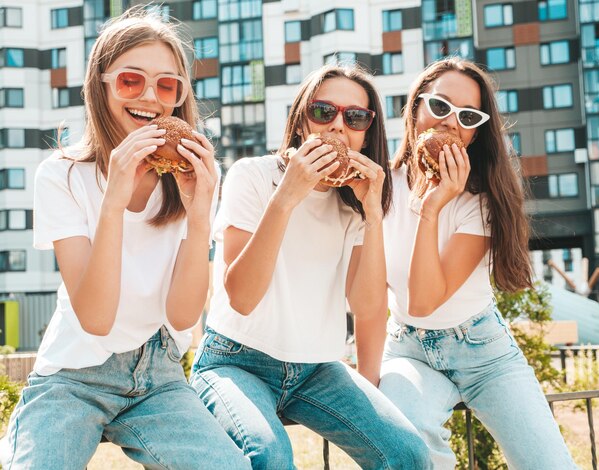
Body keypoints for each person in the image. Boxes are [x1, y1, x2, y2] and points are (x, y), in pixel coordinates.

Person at [2, 9, 250, 469]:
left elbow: (182, 314)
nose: (150, 98)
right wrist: (113, 204)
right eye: (131, 81)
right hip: (72, 374)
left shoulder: (183, 180)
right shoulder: (62, 176)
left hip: (157, 372)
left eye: (167, 85)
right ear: (102, 85)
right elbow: (95, 318)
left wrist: (200, 217)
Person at [189, 64, 431, 469]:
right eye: (324, 112)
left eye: (355, 117)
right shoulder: (252, 176)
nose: (338, 127)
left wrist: (373, 210)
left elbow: (368, 304)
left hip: (318, 368)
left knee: (408, 454)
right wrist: (286, 197)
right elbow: (242, 298)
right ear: (301, 122)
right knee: (269, 456)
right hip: (233, 359)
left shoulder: (355, 203)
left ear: (366, 135)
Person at [355, 57, 578, 469]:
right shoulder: (379, 186)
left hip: (484, 351)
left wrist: (431, 208)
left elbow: (426, 299)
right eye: (440, 107)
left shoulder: (481, 200)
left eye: (467, 116)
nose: (450, 123)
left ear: (477, 132)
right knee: (410, 448)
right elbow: (385, 299)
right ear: (415, 107)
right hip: (409, 350)